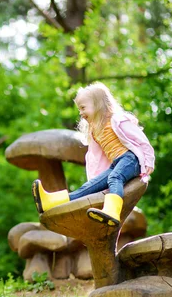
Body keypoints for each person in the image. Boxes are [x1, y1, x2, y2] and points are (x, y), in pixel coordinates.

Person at [32, 82, 155, 227]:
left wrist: (148, 162)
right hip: (116, 163)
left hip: (131, 159)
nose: (80, 113)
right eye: (79, 109)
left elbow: (142, 141)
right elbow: (95, 158)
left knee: (115, 177)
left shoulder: (117, 119)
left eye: (83, 108)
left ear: (98, 104)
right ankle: (50, 202)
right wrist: (95, 178)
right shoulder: (95, 131)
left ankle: (112, 211)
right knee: (88, 188)